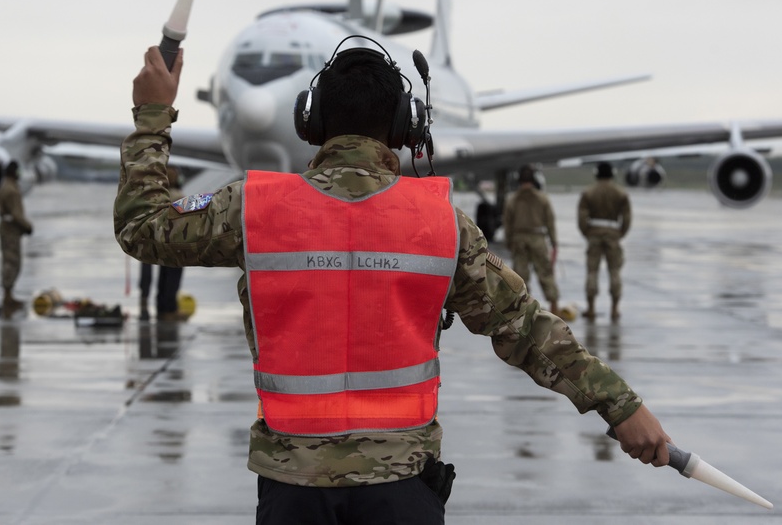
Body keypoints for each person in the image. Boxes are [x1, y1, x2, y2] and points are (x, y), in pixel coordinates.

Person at [114, 42, 670, 524]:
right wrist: (620, 406)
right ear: (407, 127)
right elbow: (527, 329)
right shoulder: (441, 223)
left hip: (293, 489)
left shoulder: (252, 208)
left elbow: (142, 226)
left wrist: (152, 114)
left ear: (310, 123)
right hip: (401, 489)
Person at [502, 164, 560, 315]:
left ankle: (523, 309)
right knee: (545, 274)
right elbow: (550, 222)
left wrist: (508, 241)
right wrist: (554, 242)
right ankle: (554, 307)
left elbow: (507, 223)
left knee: (520, 275)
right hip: (538, 238)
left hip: (519, 238)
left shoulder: (512, 199)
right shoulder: (542, 198)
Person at [577, 162, 632, 322]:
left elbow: (582, 217)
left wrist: (587, 232)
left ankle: (591, 308)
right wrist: (620, 233)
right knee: (614, 271)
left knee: (592, 272)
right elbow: (627, 218)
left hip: (594, 233)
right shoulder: (621, 193)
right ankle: (614, 309)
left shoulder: (588, 192)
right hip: (613, 233)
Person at [137, 165, 185, 322]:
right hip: (172, 241)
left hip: (159, 240)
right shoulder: (174, 195)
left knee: (163, 275)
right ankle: (168, 309)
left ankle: (161, 307)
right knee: (171, 276)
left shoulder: (154, 195)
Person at [0, 161, 32, 319]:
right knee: (12, 262)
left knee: (8, 261)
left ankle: (8, 295)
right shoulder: (11, 190)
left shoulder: (5, 186)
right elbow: (17, 214)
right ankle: (8, 296)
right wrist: (28, 226)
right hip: (11, 229)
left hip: (7, 227)